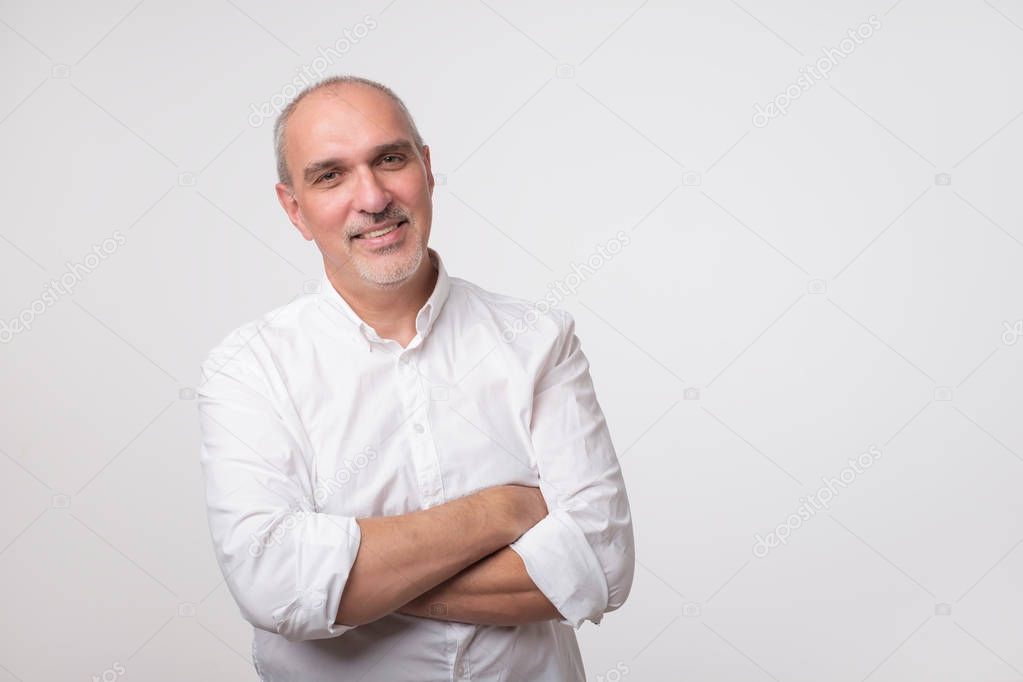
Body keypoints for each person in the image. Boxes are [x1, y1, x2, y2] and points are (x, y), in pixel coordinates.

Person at [197, 74, 634, 681]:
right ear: (294, 209)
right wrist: (501, 512)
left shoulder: (540, 340)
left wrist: (349, 587)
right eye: (331, 175)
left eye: (389, 159)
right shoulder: (248, 369)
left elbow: (601, 565)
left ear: (426, 168)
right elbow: (272, 586)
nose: (373, 198)